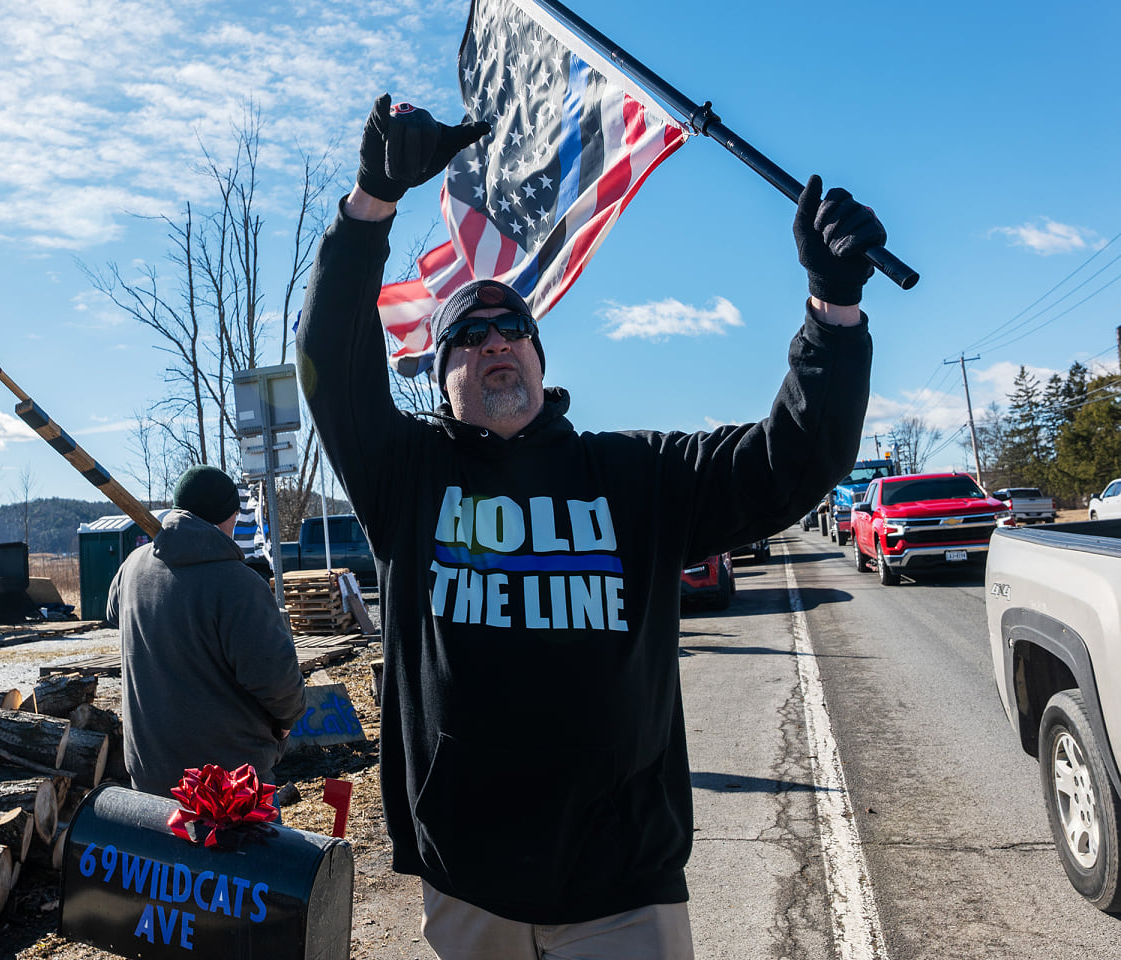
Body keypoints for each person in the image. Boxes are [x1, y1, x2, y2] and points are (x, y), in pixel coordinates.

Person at [295, 94, 885, 958]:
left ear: (538, 358)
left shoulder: (637, 475)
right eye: (469, 335)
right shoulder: (408, 478)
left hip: (622, 892)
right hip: (471, 889)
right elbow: (329, 367)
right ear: (441, 374)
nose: (494, 339)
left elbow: (790, 462)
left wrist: (833, 312)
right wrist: (369, 207)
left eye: (513, 328)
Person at [105, 464, 307, 797]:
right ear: (230, 516)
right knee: (256, 851)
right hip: (229, 789)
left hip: (150, 777)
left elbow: (112, 610)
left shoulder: (133, 568)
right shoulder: (239, 586)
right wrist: (287, 722)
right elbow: (279, 682)